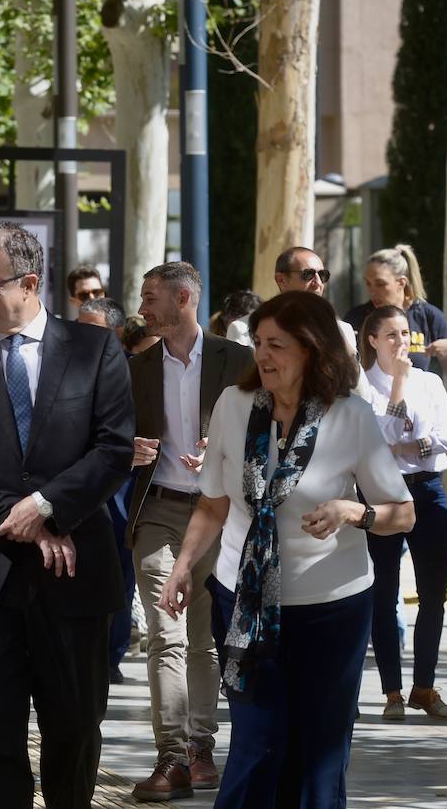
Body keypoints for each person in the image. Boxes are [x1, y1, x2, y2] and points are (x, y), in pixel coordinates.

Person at [158, 290, 414, 808]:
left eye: (276, 344)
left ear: (312, 348)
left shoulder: (352, 416)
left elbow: (402, 513)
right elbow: (212, 506)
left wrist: (353, 512)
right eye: (258, 343)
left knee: (319, 746)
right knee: (257, 741)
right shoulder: (233, 405)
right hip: (245, 603)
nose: (263, 356)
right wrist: (183, 567)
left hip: (332, 610)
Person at [0, 221, 133, 809]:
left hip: (73, 581)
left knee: (73, 731)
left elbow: (113, 448)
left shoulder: (95, 349)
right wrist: (16, 517)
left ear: (31, 282)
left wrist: (47, 506)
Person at [126, 262, 255, 801]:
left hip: (218, 514)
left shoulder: (240, 361)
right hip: (157, 509)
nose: (142, 305)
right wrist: (126, 451)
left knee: (204, 636)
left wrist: (225, 453)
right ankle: (172, 756)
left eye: (151, 296)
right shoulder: (136, 366)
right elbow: (107, 435)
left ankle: (202, 747)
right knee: (164, 631)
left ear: (183, 299)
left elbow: (268, 434)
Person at [356, 304, 447, 721]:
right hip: (383, 493)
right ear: (373, 340)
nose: (403, 342)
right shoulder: (363, 387)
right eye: (393, 335)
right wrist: (397, 386)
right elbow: (382, 436)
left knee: (434, 593)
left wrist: (413, 447)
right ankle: (392, 691)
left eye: (406, 334)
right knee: (384, 591)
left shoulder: (430, 381)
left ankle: (425, 686)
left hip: (428, 491)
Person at [76, 295, 149, 680]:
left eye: (91, 329)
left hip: (125, 497)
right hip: (78, 495)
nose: (79, 336)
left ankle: (111, 656)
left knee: (121, 579)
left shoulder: (139, 374)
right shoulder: (63, 373)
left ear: (117, 334)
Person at [343, 244, 447, 385]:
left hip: (417, 400)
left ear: (401, 283)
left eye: (380, 284)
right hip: (371, 403)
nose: (372, 291)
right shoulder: (357, 317)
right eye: (368, 284)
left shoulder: (427, 316)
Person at [272, 247, 355, 354]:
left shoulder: (342, 330)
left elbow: (353, 371)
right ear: (282, 280)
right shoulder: (249, 329)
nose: (318, 283)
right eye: (308, 274)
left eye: (322, 275)